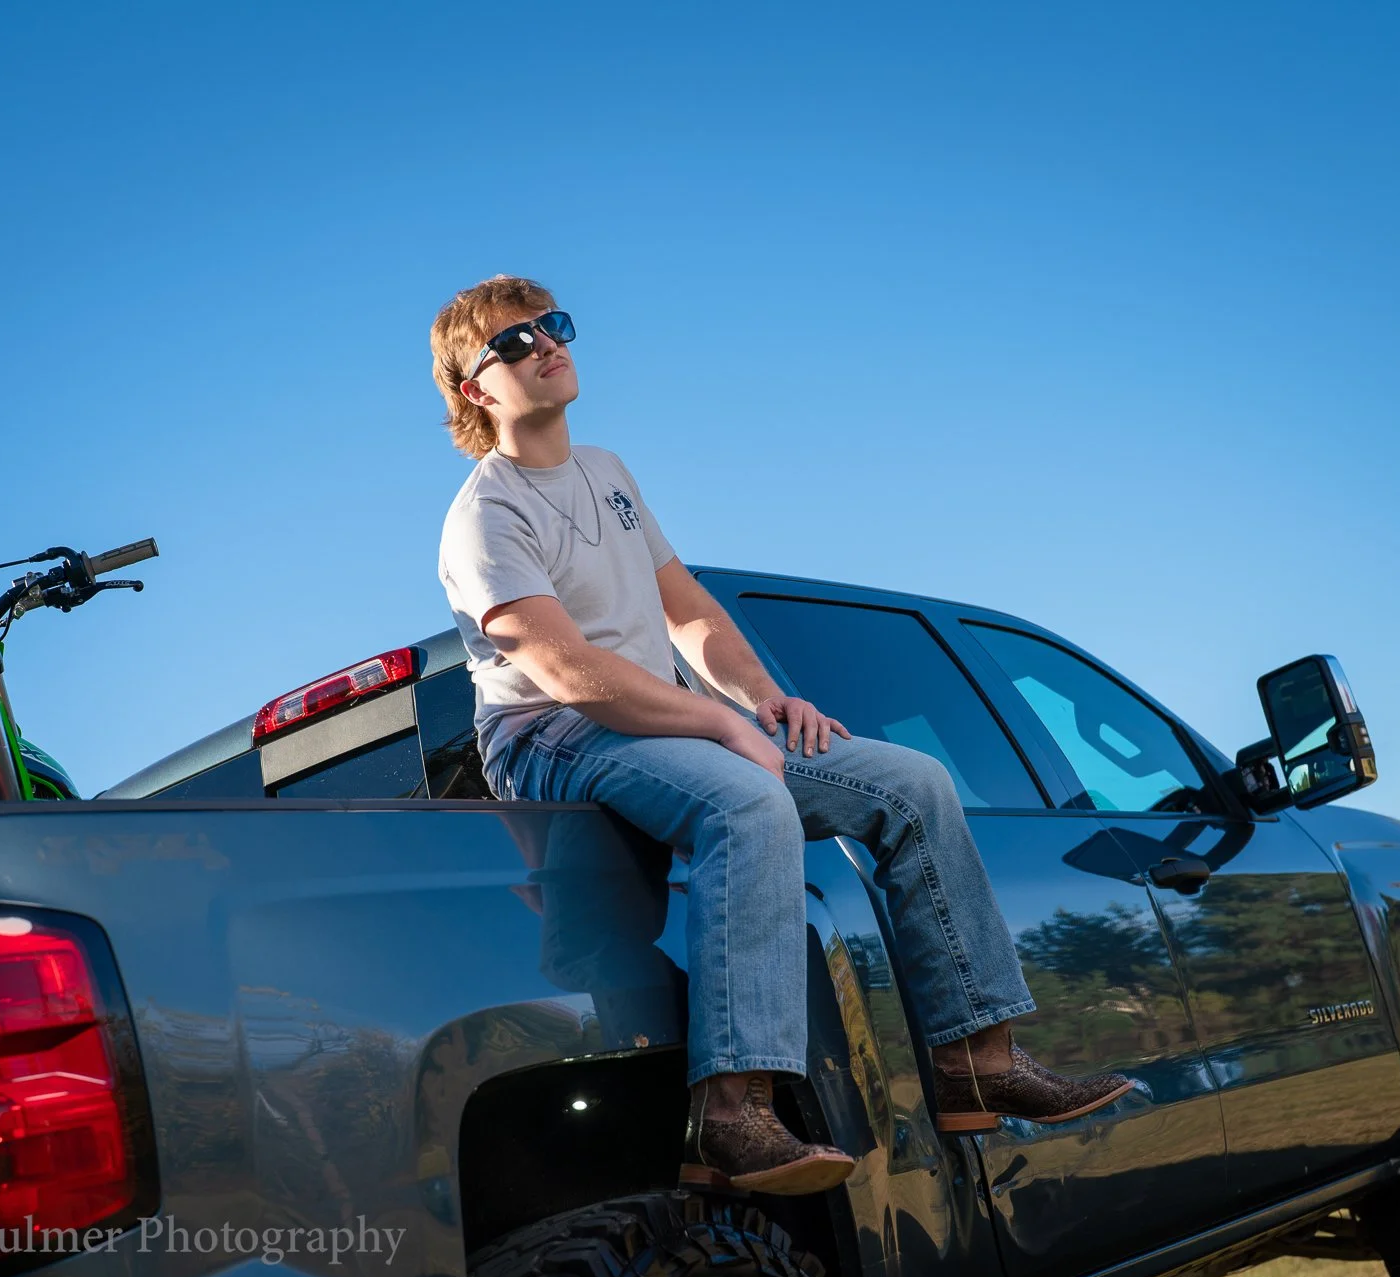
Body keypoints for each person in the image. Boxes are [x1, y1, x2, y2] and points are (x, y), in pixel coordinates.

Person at [431, 275, 1135, 1196]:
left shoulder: (606, 473)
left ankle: (980, 1058)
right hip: (548, 734)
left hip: (659, 724)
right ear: (475, 389)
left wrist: (763, 700)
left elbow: (689, 613)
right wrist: (722, 729)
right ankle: (732, 1115)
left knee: (913, 782)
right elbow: (566, 672)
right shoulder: (484, 515)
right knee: (747, 796)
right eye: (513, 344)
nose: (546, 345)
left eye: (552, 326)